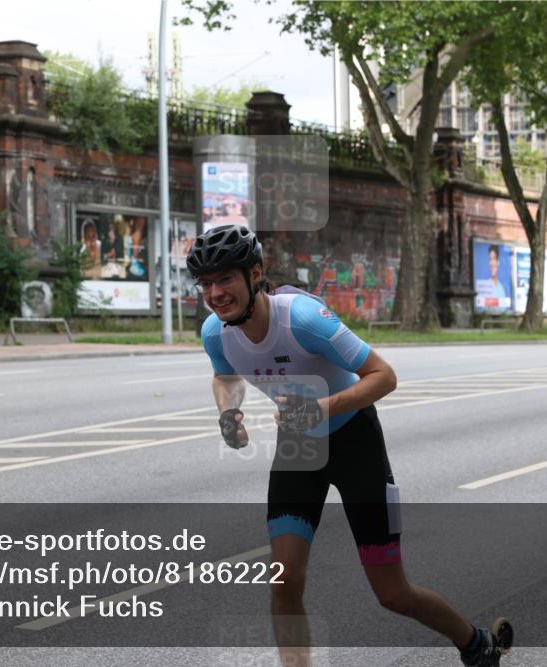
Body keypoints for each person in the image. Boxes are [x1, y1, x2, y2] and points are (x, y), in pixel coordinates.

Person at [187, 224, 512, 667]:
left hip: (355, 439)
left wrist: (319, 409)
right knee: (283, 582)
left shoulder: (300, 319)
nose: (215, 292)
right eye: (206, 283)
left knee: (392, 593)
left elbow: (384, 376)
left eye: (225, 278)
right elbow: (225, 375)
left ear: (255, 273)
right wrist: (229, 413)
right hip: (299, 449)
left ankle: (475, 643)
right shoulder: (213, 332)